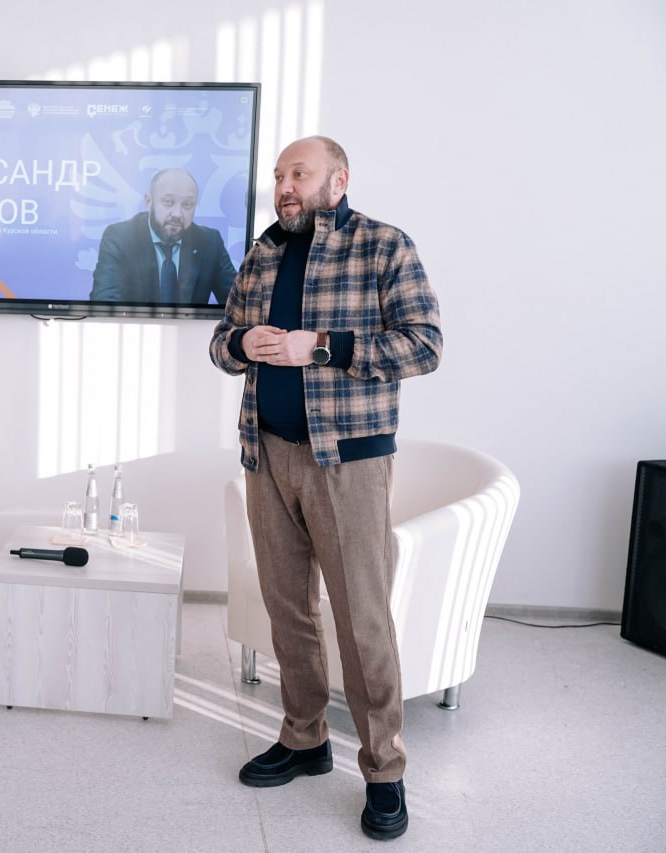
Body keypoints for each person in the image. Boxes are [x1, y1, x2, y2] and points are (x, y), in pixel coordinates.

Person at [209, 136, 442, 840]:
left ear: (337, 181)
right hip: (266, 454)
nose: (284, 185)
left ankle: (384, 768)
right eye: (280, 175)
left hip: (348, 463)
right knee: (289, 611)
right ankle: (304, 737)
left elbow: (424, 344)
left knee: (361, 618)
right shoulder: (263, 252)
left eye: (299, 174)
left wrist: (322, 346)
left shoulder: (383, 246)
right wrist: (241, 345)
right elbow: (222, 339)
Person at [89, 168, 237, 305]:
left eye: (187, 204)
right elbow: (104, 303)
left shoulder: (210, 242)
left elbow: (238, 302)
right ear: (149, 201)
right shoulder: (120, 237)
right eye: (168, 202)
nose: (177, 214)